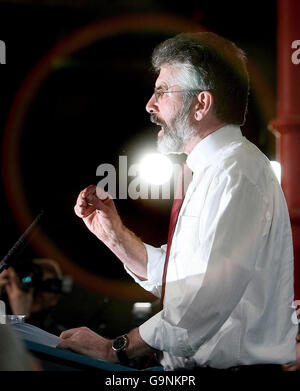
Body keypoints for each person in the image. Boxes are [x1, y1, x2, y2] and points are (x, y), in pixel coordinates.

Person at [58, 32, 298, 371]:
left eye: (162, 92)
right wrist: (113, 235)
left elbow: (202, 304)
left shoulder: (236, 172)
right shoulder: (213, 170)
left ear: (201, 104)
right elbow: (184, 283)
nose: (150, 105)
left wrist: (116, 349)